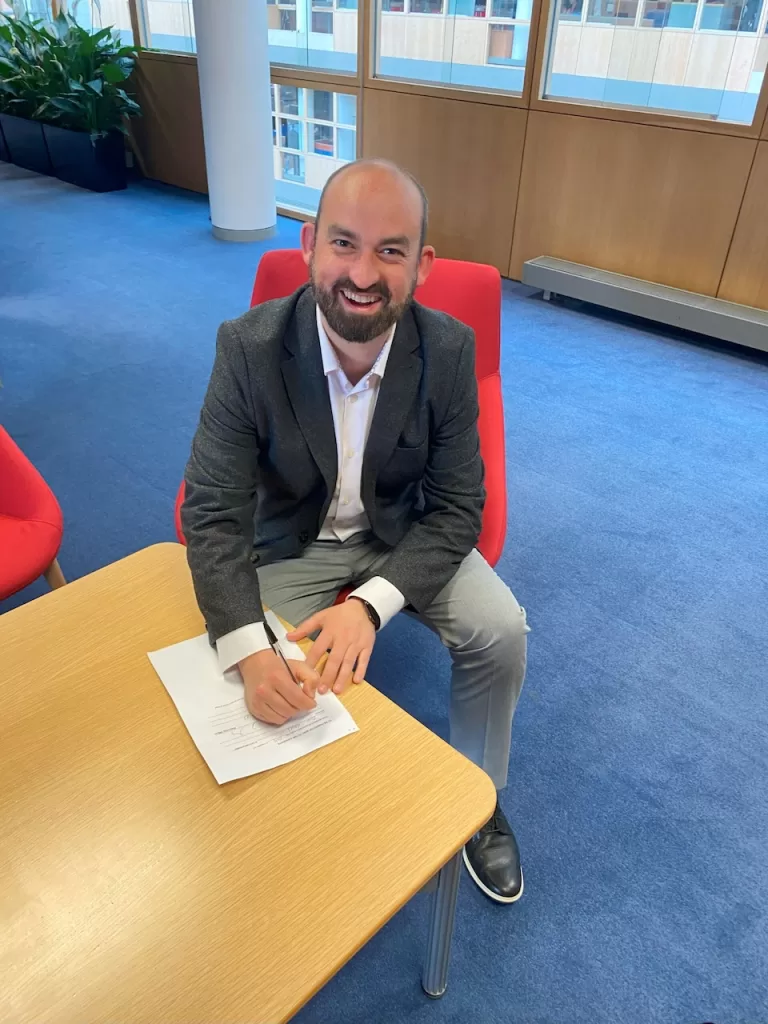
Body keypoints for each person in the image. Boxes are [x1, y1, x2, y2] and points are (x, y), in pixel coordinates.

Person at [182, 159, 529, 904]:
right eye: (344, 244)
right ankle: (294, 820)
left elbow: (460, 508)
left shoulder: (448, 352)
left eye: (391, 250)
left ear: (423, 266)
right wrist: (249, 650)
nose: (363, 273)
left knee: (501, 627)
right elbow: (210, 510)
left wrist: (371, 603)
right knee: (250, 666)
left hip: (403, 532)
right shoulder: (247, 348)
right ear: (309, 245)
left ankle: (479, 796)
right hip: (289, 537)